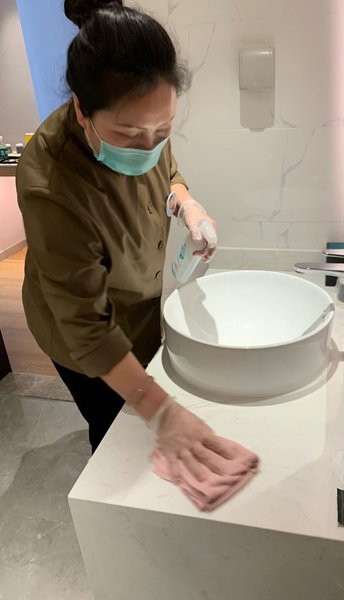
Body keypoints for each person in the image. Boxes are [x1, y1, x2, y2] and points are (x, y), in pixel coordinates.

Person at [16, 0, 220, 460]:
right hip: (79, 332)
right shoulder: (51, 184)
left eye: (163, 130)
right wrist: (161, 411)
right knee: (114, 436)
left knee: (137, 421)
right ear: (81, 109)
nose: (147, 147)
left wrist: (186, 205)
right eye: (129, 136)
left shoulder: (143, 118)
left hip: (137, 307)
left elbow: (166, 172)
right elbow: (87, 329)